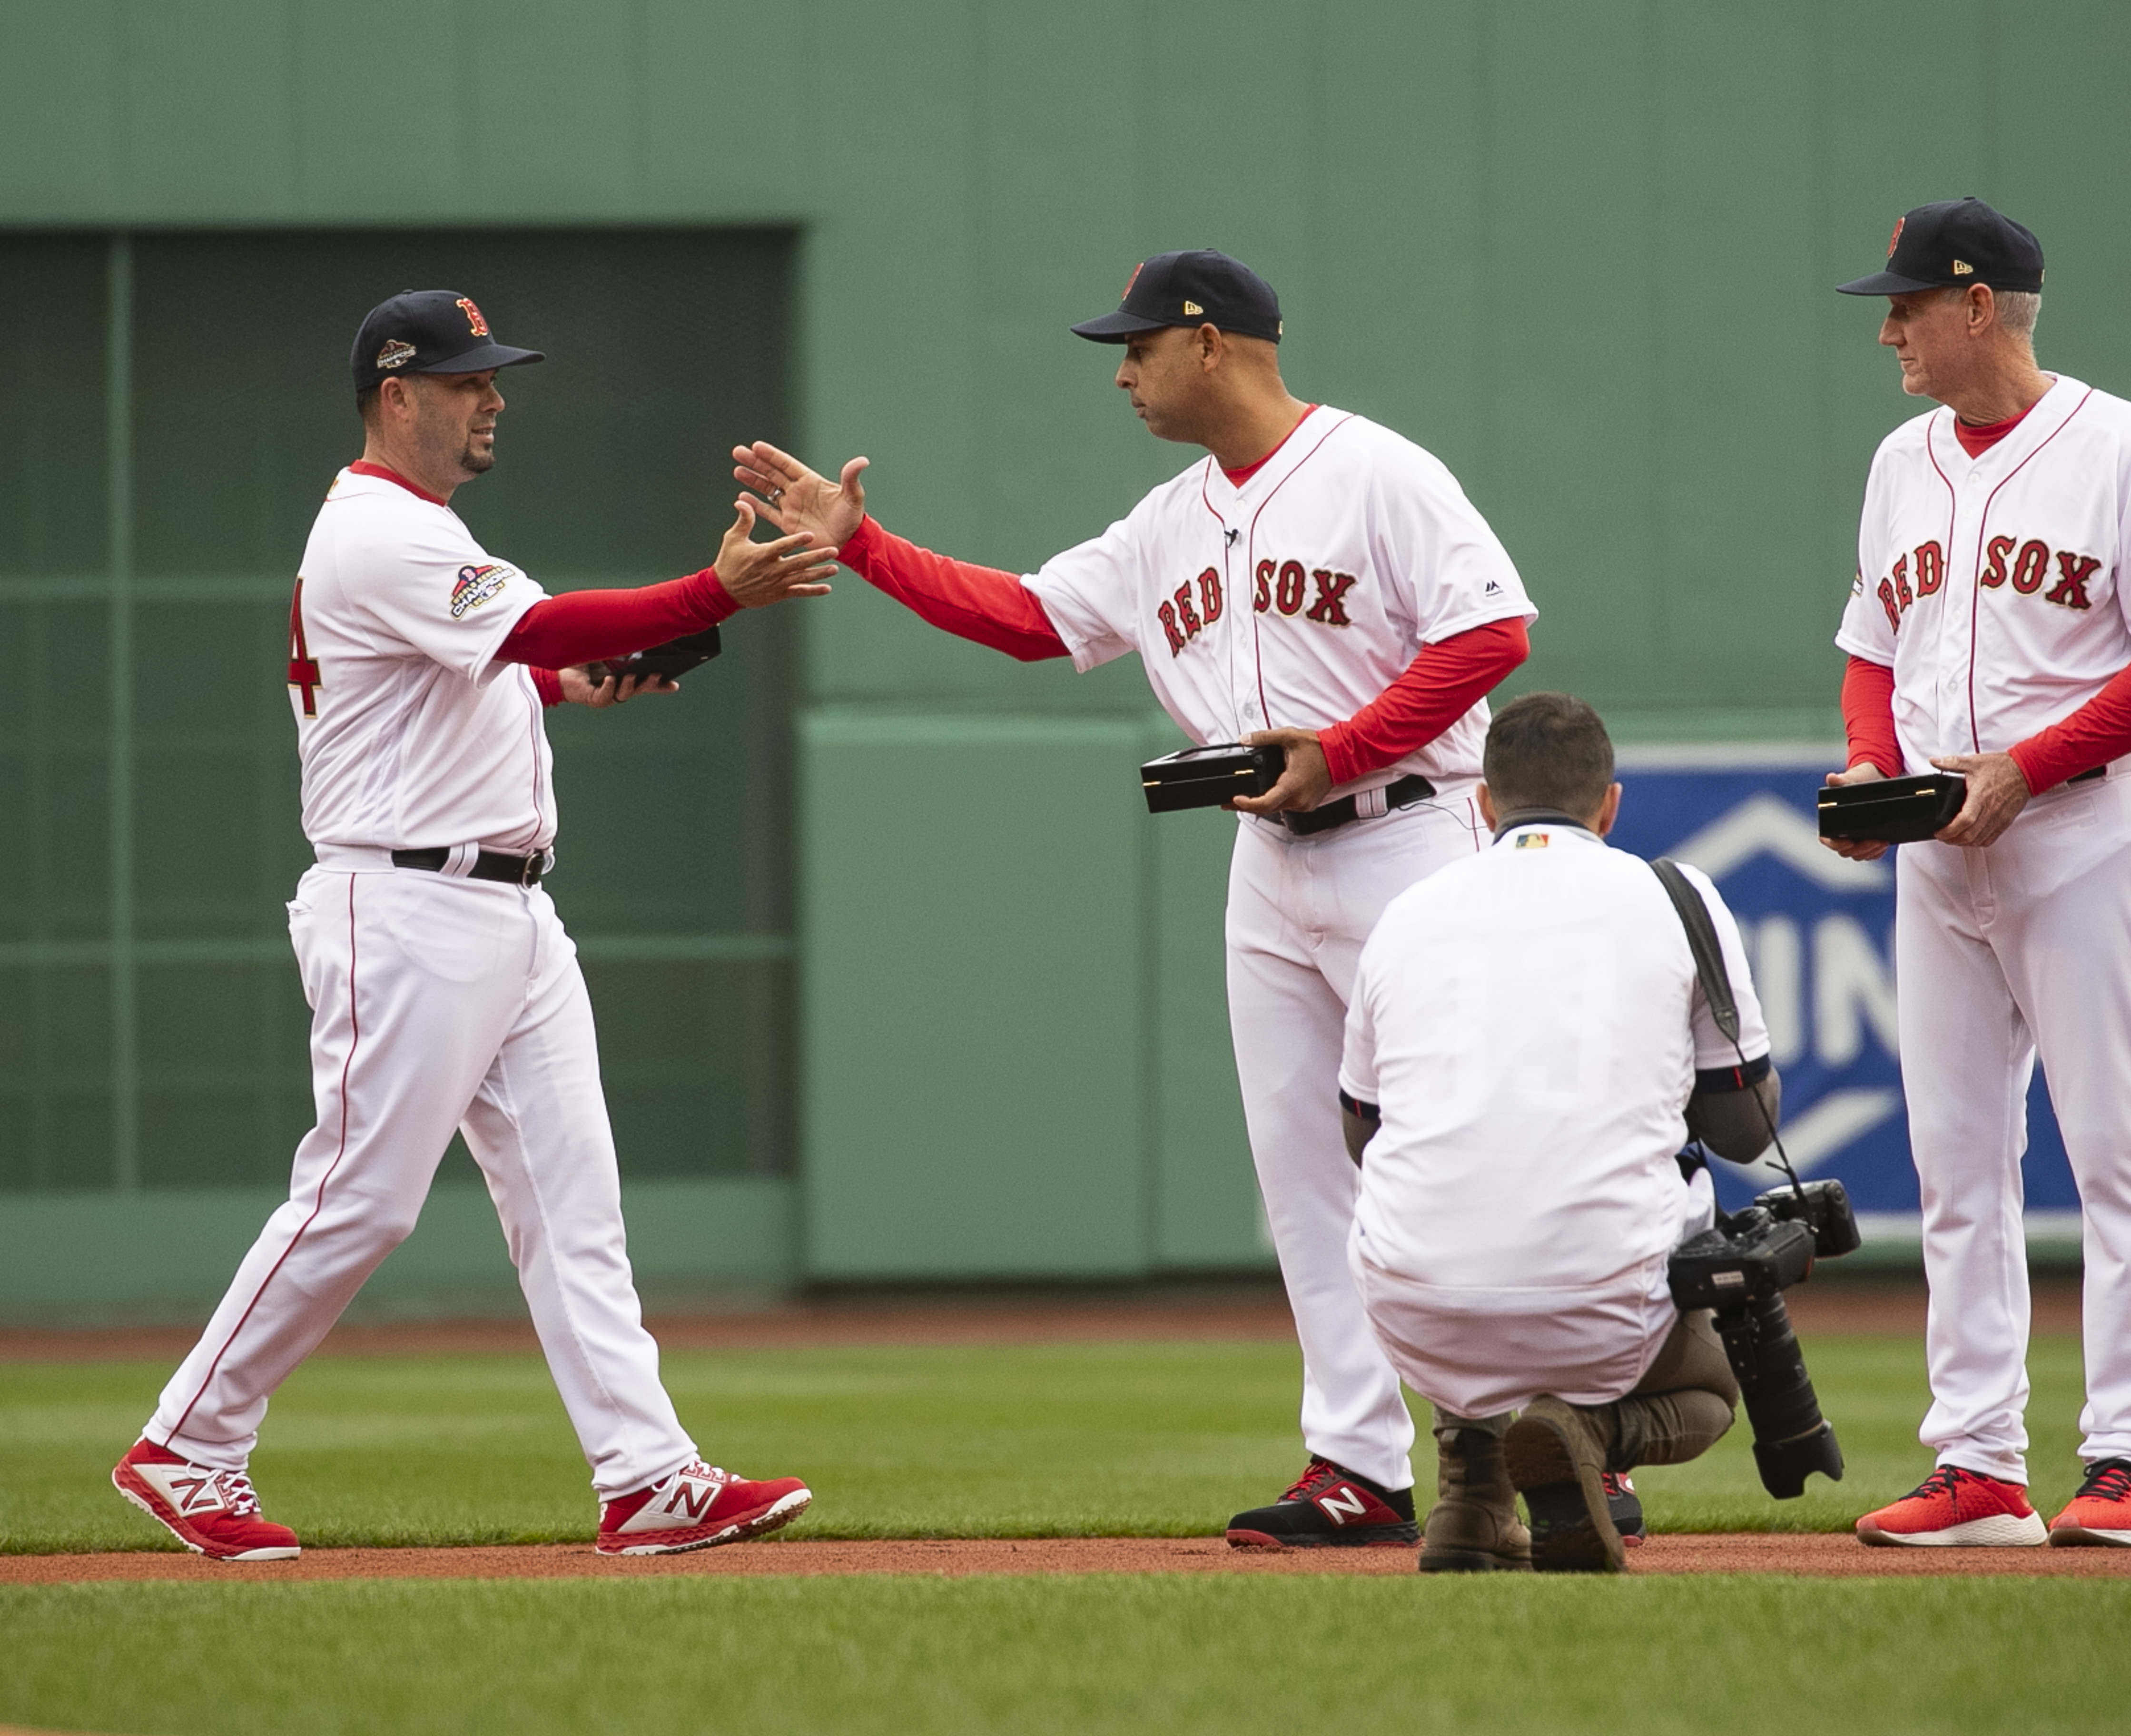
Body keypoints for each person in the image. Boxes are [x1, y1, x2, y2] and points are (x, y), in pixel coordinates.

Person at [731, 250, 1540, 1547]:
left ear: (1209, 342)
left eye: (1139, 346)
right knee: (1302, 1179)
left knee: (1470, 1152)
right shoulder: (1169, 519)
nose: (1121, 372)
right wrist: (865, 546)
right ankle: (1359, 1465)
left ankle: (1569, 1438)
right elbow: (1030, 619)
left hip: (1411, 837)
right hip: (1269, 864)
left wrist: (1341, 748)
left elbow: (1490, 636)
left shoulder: (1380, 473)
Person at [112, 290, 829, 1561]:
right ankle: (188, 1441)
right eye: (466, 380)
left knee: (575, 1205)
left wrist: (601, 671)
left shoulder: (422, 531)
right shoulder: (378, 531)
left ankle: (647, 1474)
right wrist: (702, 594)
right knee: (363, 1199)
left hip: (504, 911)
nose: (493, 395)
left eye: (493, 376)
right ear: (397, 396)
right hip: (404, 904)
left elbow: (520, 664)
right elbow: (538, 626)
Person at [1825, 199, 2131, 1549]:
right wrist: (1877, 775)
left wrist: (2034, 767)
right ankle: (1980, 1466)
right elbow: (1871, 646)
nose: (1888, 327)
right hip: (1940, 852)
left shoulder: (2119, 447)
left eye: (1907, 305)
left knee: (2118, 1151)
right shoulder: (1900, 460)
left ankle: (2129, 1462)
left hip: (2079, 837)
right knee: (1956, 1165)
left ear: (1980, 304)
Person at [1338, 692, 1776, 1573]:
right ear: (1609, 804)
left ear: (1484, 805)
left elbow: (1363, 1136)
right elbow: (1745, 1127)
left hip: (1414, 1308)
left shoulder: (1408, 912)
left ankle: (1469, 1501)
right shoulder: (1675, 893)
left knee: (1457, 1203)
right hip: (1600, 1304)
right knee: (1714, 1388)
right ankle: (1582, 1431)